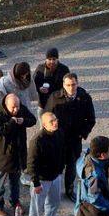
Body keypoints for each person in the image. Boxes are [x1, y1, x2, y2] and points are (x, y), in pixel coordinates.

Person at [44, 72, 95, 202]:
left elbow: (91, 119)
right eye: (68, 85)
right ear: (63, 85)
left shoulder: (84, 98)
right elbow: (46, 115)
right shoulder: (55, 98)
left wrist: (82, 133)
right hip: (58, 138)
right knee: (56, 163)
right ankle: (53, 189)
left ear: (77, 84)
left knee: (72, 165)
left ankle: (69, 189)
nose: (71, 88)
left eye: (73, 85)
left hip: (74, 139)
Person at [0, 93, 36, 216]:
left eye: (17, 106)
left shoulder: (21, 109)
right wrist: (11, 123)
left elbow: (33, 120)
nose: (16, 110)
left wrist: (23, 121)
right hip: (3, 155)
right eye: (13, 108)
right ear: (6, 105)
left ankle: (15, 201)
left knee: (15, 182)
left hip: (17, 154)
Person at [25, 112, 66, 216]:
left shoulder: (59, 133)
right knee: (37, 206)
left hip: (55, 176)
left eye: (55, 119)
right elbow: (31, 164)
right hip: (42, 179)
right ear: (44, 125)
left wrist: (60, 169)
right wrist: (36, 183)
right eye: (51, 121)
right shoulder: (37, 141)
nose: (55, 122)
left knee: (55, 201)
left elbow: (61, 152)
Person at [33, 47, 70, 112]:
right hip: (43, 104)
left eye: (54, 59)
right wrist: (40, 88)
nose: (52, 61)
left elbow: (68, 85)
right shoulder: (40, 68)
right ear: (46, 59)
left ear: (57, 59)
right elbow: (33, 84)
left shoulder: (64, 69)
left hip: (59, 103)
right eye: (49, 59)